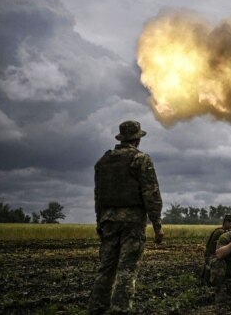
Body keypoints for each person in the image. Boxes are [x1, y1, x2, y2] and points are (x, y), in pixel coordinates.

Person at [88, 120, 164, 315]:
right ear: (137, 139)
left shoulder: (103, 162)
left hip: (108, 220)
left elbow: (98, 196)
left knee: (106, 267)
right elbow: (151, 194)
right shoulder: (141, 159)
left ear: (121, 138)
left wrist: (99, 222)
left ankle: (97, 308)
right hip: (132, 221)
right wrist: (157, 225)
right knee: (127, 268)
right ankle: (120, 310)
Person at [202, 214, 231, 285]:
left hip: (217, 254)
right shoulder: (220, 232)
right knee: (220, 263)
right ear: (225, 222)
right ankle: (213, 282)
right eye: (230, 222)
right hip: (211, 256)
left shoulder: (226, 232)